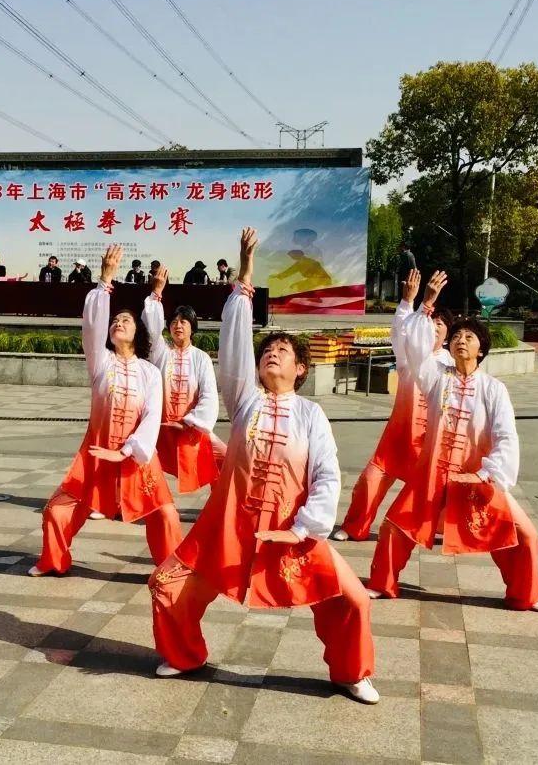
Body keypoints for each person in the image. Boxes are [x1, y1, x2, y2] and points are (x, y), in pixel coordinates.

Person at [149, 228, 377, 704]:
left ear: (300, 370)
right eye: (268, 350)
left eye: (284, 352)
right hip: (227, 528)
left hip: (293, 531)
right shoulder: (246, 399)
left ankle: (350, 671)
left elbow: (327, 475)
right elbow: (234, 346)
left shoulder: (312, 415)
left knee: (352, 600)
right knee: (167, 586)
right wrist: (244, 279)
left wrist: (308, 524)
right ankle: (185, 654)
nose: (272, 353)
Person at [367, 271, 538, 614]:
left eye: (469, 336)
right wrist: (427, 303)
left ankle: (525, 593)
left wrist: (488, 475)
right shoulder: (436, 378)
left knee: (525, 536)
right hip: (430, 476)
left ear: (481, 350)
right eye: (457, 336)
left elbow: (506, 436)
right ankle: (381, 583)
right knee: (394, 526)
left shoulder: (494, 390)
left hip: (476, 481)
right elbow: (415, 352)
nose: (461, 340)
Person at [30, 244, 180, 576]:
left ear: (137, 332)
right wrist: (105, 280)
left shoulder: (150, 373)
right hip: (96, 454)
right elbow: (92, 326)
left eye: (125, 320)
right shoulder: (101, 364)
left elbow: (152, 418)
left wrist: (126, 451)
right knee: (56, 511)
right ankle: (54, 560)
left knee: (166, 516)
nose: (118, 323)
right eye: (115, 321)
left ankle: (169, 569)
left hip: (136, 460)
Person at [333, 269, 453, 541]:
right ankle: (354, 526)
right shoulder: (410, 359)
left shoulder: (450, 365)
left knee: (441, 489)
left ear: (447, 335)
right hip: (398, 439)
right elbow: (402, 334)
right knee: (370, 481)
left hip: (430, 443)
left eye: (439, 326)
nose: (432, 329)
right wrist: (410, 301)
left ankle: (443, 529)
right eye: (429, 323)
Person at [142, 267, 220, 493]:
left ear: (192, 328)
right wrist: (157, 292)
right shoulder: (161, 352)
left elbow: (209, 396)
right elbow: (151, 329)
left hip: (191, 429)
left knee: (225, 459)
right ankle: (119, 501)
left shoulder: (201, 358)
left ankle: (221, 505)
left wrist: (191, 421)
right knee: (132, 455)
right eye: (174, 321)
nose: (178, 325)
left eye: (184, 322)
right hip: (160, 427)